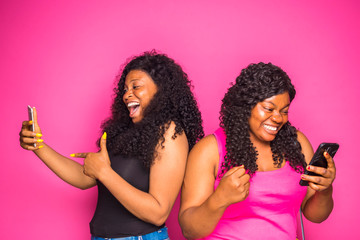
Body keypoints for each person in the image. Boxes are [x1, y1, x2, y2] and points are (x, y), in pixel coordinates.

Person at [20, 51, 204, 239]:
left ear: (161, 90)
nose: (127, 95)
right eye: (125, 89)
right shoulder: (124, 133)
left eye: (136, 87)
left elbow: (158, 212)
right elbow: (85, 179)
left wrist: (104, 172)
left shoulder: (170, 132)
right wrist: (38, 147)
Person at [178, 62, 335, 239]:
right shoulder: (209, 150)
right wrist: (219, 199)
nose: (277, 118)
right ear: (246, 106)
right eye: (269, 109)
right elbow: (190, 231)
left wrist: (325, 189)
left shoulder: (297, 143)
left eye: (284, 111)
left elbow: (314, 215)